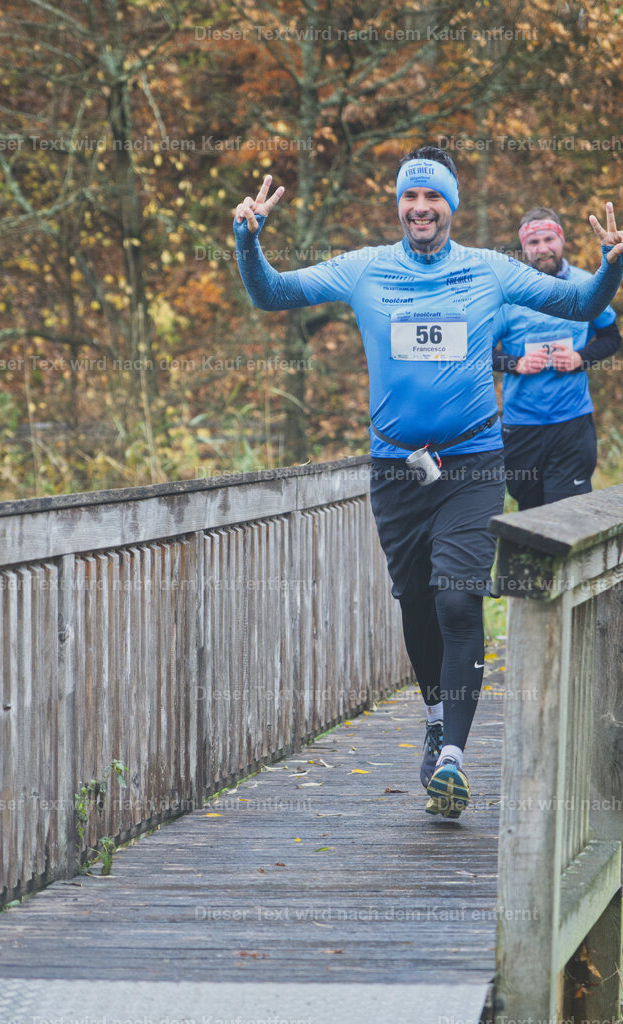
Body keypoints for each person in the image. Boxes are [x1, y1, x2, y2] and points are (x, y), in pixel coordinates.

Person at [233, 146, 623, 819]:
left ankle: (453, 761)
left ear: (451, 206)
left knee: (457, 599)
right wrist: (248, 240)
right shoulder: (365, 270)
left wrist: (613, 266)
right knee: (416, 599)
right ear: (399, 206)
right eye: (410, 198)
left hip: (472, 461)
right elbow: (273, 293)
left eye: (433, 198)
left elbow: (581, 300)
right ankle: (438, 716)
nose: (421, 209)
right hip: (396, 468)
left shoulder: (490, 273)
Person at [492, 207, 621, 509]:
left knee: (569, 516)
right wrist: (515, 363)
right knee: (531, 518)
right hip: (521, 425)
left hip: (571, 423)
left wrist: (580, 357)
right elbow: (478, 350)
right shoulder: (508, 296)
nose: (542, 248)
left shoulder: (587, 285)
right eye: (533, 243)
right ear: (523, 248)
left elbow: (612, 337)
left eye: (549, 238)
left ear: (561, 240)